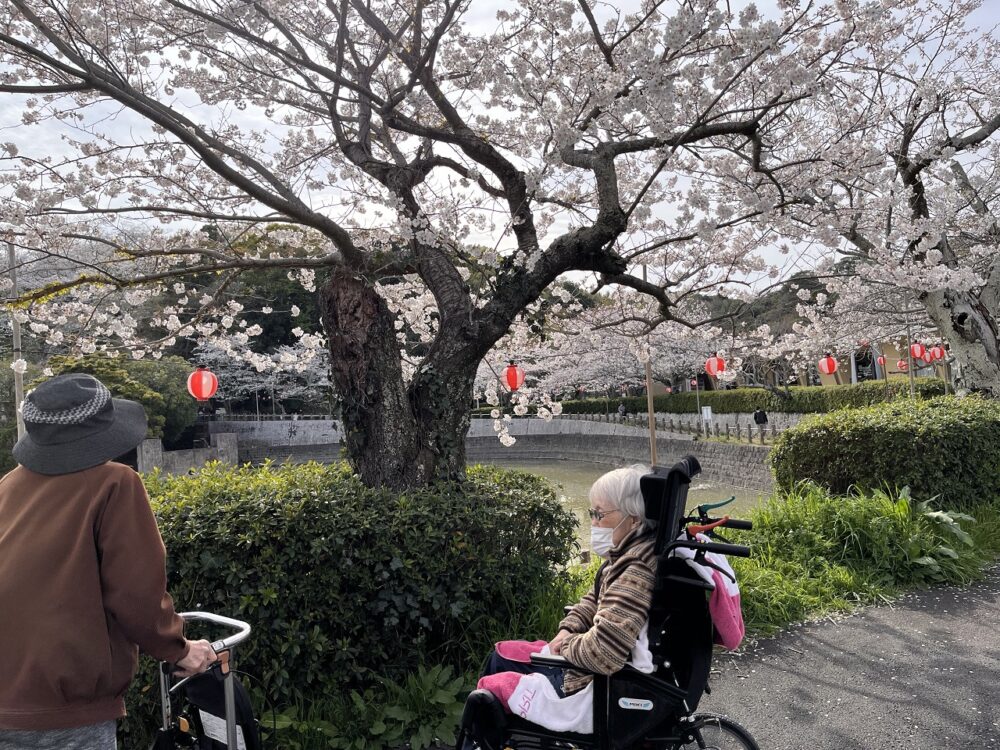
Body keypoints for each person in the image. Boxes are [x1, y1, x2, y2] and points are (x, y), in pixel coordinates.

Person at [0, 373, 218, 749]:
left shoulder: (7, 487)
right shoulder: (115, 482)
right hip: (65, 709)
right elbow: (136, 596)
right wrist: (180, 649)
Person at [480, 465, 656, 698]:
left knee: (494, 673)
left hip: (587, 685)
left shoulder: (635, 570)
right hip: (589, 668)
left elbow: (603, 653)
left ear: (632, 519)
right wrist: (567, 629)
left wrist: (565, 645)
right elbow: (595, 598)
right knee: (501, 655)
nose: (593, 523)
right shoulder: (628, 553)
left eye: (599, 514)